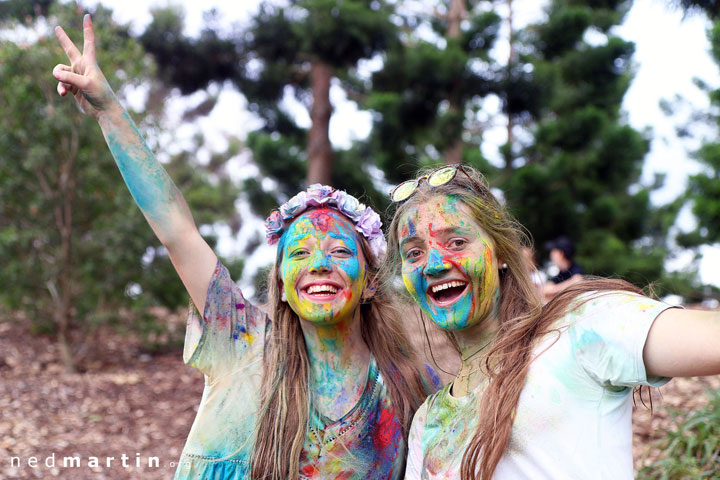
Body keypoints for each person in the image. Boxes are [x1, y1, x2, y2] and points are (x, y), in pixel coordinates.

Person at [53, 15, 436, 479]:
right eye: (298, 254)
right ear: (280, 283)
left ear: (371, 282)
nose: (318, 264)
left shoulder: (406, 390)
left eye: (339, 252)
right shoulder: (242, 342)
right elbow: (178, 233)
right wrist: (110, 112)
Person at [385, 164, 720, 479]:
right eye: (413, 253)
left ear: (501, 252)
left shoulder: (578, 329)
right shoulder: (428, 421)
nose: (433, 265)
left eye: (457, 242)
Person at [541, 236, 584, 302]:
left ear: (561, 254)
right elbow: (545, 290)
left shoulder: (576, 269)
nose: (551, 255)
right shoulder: (561, 273)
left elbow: (578, 281)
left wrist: (554, 290)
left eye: (553, 251)